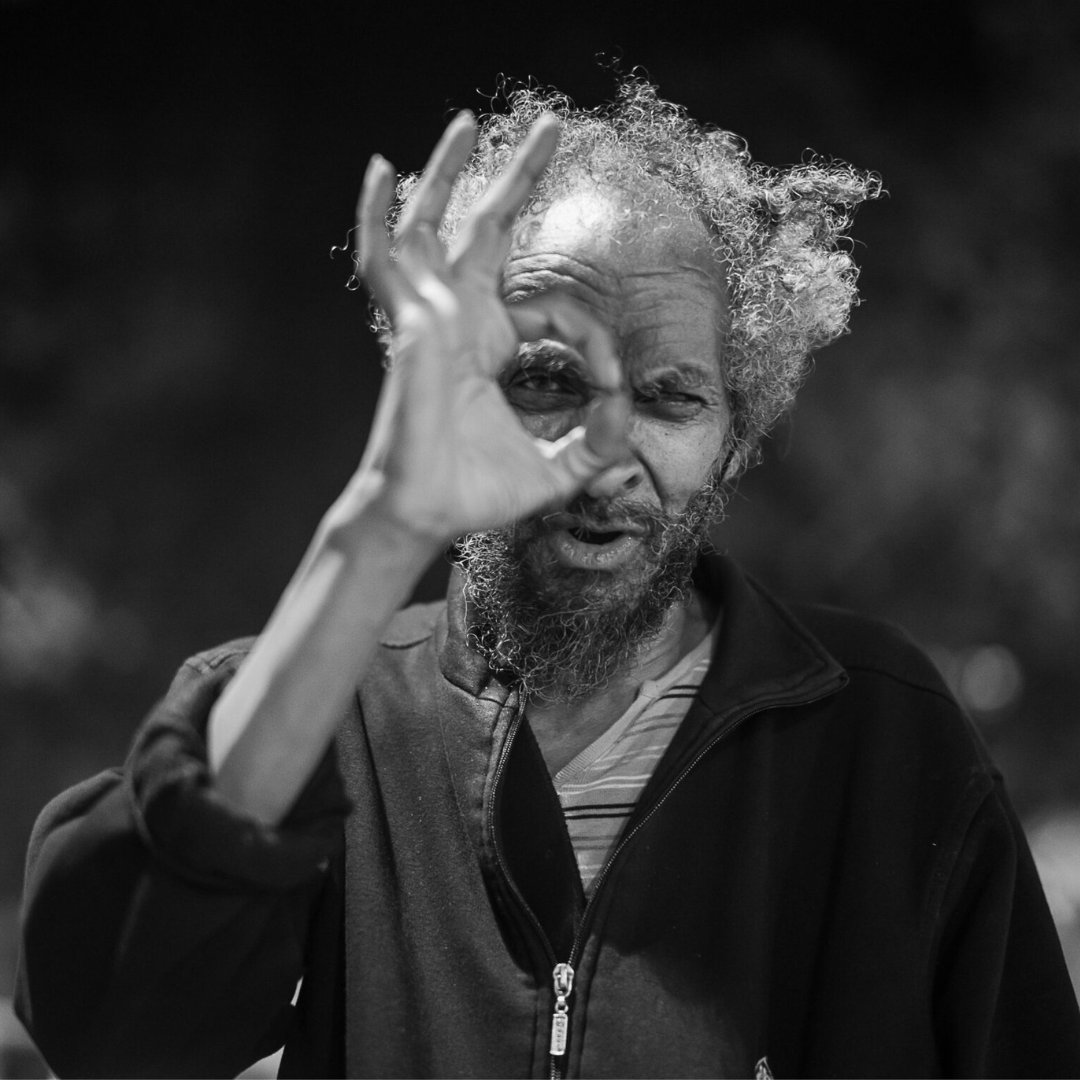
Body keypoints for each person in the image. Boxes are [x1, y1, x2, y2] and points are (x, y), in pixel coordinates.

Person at [15, 80, 1080, 1079]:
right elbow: (109, 1026)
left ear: (736, 439)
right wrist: (387, 519)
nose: (601, 448)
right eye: (542, 380)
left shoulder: (881, 735)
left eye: (670, 399)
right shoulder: (309, 715)